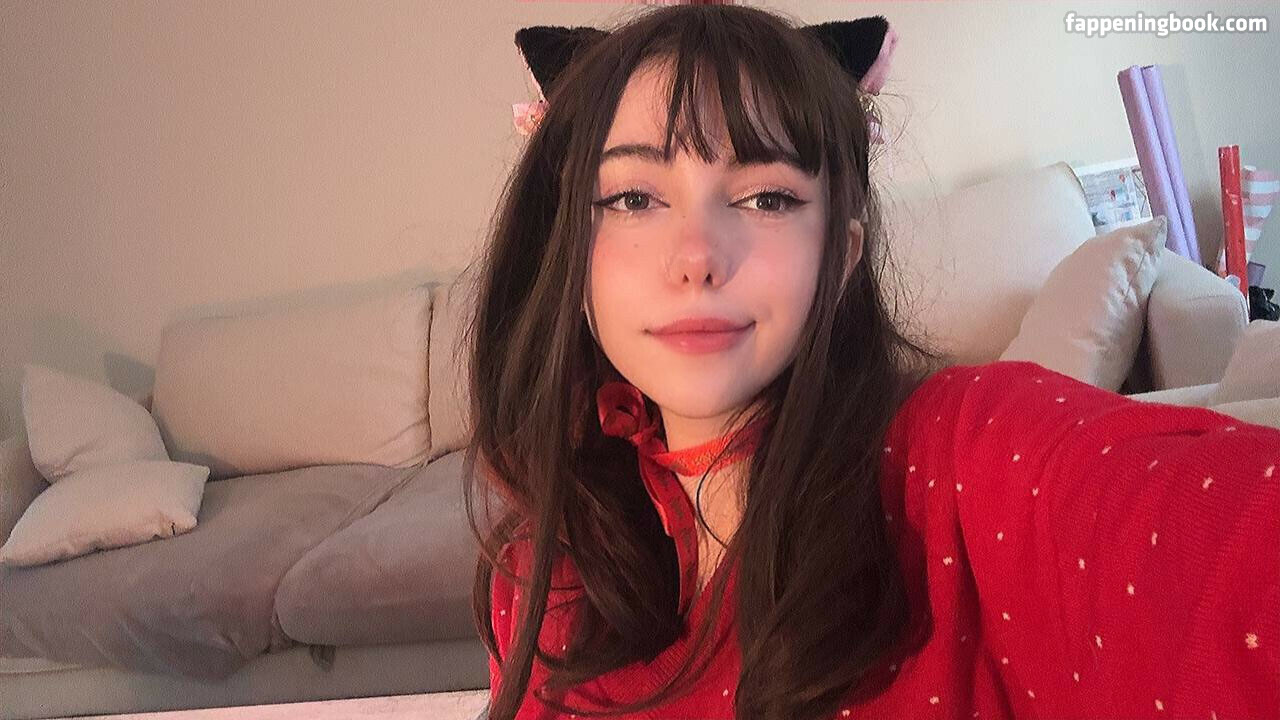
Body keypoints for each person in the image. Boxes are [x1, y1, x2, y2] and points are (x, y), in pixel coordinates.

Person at [455, 4, 1279, 719]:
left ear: (842, 255)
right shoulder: (534, 570)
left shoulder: (967, 462)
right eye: (634, 198)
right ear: (570, 255)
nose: (697, 256)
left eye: (766, 197)